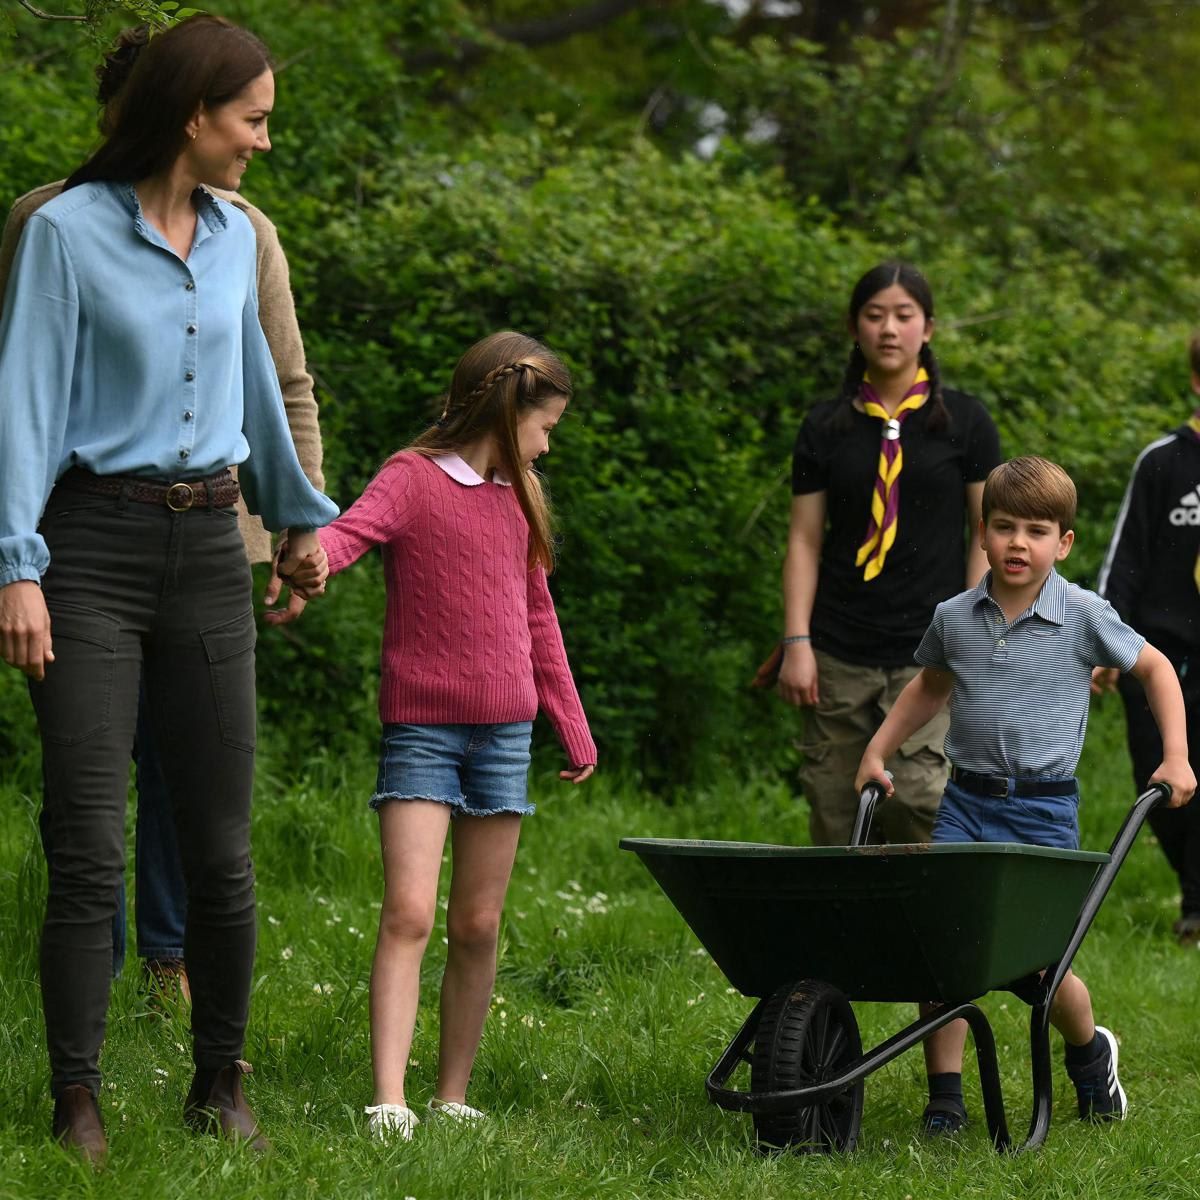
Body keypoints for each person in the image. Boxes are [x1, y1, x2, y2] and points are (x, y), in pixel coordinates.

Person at [0, 15, 338, 1164]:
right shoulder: (62, 233)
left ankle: (220, 1085)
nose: (263, 143)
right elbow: (25, 406)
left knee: (221, 849)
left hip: (207, 555)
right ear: (194, 115)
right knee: (90, 842)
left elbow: (260, 383)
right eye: (253, 120)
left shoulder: (240, 235)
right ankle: (76, 1098)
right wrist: (16, 566)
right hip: (89, 548)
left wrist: (300, 521)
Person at [290, 331, 596, 1141]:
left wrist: (569, 721)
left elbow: (538, 615)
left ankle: (451, 1094)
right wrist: (304, 568)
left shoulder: (521, 494)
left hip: (504, 734)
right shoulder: (413, 479)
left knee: (478, 924)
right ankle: (388, 1100)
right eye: (546, 425)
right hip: (422, 731)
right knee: (409, 912)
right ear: (507, 409)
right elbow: (347, 535)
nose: (547, 441)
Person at [854, 456, 1196, 1135]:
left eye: (1037, 530)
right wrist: (877, 749)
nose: (1018, 543)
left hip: (1042, 810)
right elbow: (929, 685)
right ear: (981, 533)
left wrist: (1177, 755)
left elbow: (1156, 670)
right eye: (1004, 526)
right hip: (967, 802)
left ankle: (1091, 1053)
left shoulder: (1084, 616)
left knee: (1041, 962)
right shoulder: (955, 616)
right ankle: (945, 1097)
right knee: (944, 948)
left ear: (1063, 542)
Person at [764, 261, 1000, 845]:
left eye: (903, 316)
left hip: (931, 646)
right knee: (835, 806)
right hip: (839, 645)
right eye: (874, 315)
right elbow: (804, 538)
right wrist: (797, 642)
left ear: (929, 328)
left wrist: (975, 626)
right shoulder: (825, 425)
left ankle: (918, 931)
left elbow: (986, 529)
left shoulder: (966, 422)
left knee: (918, 798)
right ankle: (846, 932)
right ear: (854, 327)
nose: (888, 329)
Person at [1093, 334, 1200, 947]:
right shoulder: (1163, 462)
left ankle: (1196, 902)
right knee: (1158, 777)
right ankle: (1193, 880)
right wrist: (1109, 639)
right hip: (1164, 655)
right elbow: (1125, 557)